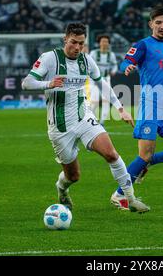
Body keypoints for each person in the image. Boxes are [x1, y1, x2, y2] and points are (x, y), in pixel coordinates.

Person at [22, 23, 150, 213]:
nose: (77, 48)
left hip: (84, 118)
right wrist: (49, 83)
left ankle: (130, 199)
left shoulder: (87, 60)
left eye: (81, 44)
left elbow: (102, 84)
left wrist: (120, 108)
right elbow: (27, 83)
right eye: (73, 42)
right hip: (60, 126)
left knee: (111, 154)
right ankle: (61, 189)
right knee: (73, 176)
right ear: (65, 39)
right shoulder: (49, 58)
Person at [110, 5, 163, 210]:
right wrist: (128, 67)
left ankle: (150, 163)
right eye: (158, 22)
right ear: (151, 24)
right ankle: (119, 194)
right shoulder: (143, 45)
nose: (162, 26)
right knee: (143, 154)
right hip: (150, 106)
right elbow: (126, 61)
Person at [89, 35, 118, 126]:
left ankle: (102, 122)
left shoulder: (111, 55)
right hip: (94, 80)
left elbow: (115, 65)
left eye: (106, 41)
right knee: (95, 101)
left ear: (108, 43)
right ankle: (90, 120)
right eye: (103, 41)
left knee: (106, 101)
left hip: (106, 79)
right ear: (99, 43)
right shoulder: (94, 53)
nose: (104, 43)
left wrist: (113, 71)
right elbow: (88, 64)